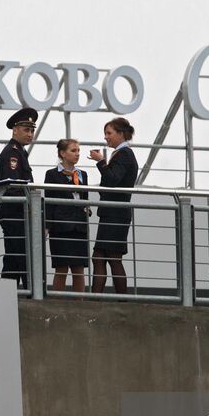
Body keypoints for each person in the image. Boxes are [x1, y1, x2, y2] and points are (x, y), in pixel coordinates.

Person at [90, 117, 138, 294]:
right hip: (113, 212)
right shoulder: (122, 154)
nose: (106, 137)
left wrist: (101, 162)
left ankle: (122, 301)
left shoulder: (124, 154)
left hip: (116, 213)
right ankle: (99, 300)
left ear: (121, 134)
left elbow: (112, 179)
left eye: (109, 133)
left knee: (112, 257)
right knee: (100, 257)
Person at [0, 107, 38, 290]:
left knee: (14, 256)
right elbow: (12, 185)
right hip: (14, 211)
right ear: (15, 130)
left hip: (18, 211)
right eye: (26, 129)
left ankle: (6, 292)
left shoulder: (20, 152)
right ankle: (31, 291)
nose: (30, 134)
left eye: (32, 130)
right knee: (22, 254)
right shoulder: (12, 153)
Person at [43, 138, 91, 293]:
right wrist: (47, 226)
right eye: (73, 150)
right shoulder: (52, 174)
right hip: (60, 226)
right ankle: (58, 304)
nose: (77, 154)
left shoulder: (82, 174)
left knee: (79, 268)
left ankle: (80, 303)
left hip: (79, 226)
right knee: (61, 267)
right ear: (62, 153)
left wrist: (86, 210)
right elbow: (49, 202)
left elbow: (84, 198)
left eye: (78, 151)